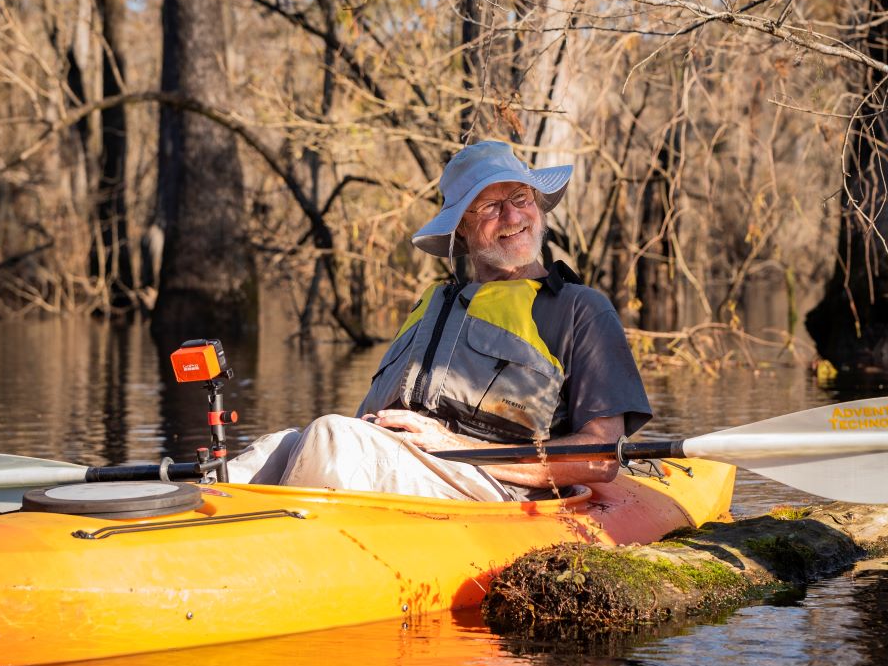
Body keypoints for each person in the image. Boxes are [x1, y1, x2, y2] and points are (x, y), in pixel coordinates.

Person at [227, 140, 652, 500]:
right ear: (461, 230)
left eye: (520, 199)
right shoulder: (434, 306)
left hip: (497, 489)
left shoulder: (581, 309)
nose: (513, 217)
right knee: (274, 448)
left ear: (537, 207)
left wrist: (450, 445)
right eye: (489, 206)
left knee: (331, 438)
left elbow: (599, 456)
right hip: (410, 467)